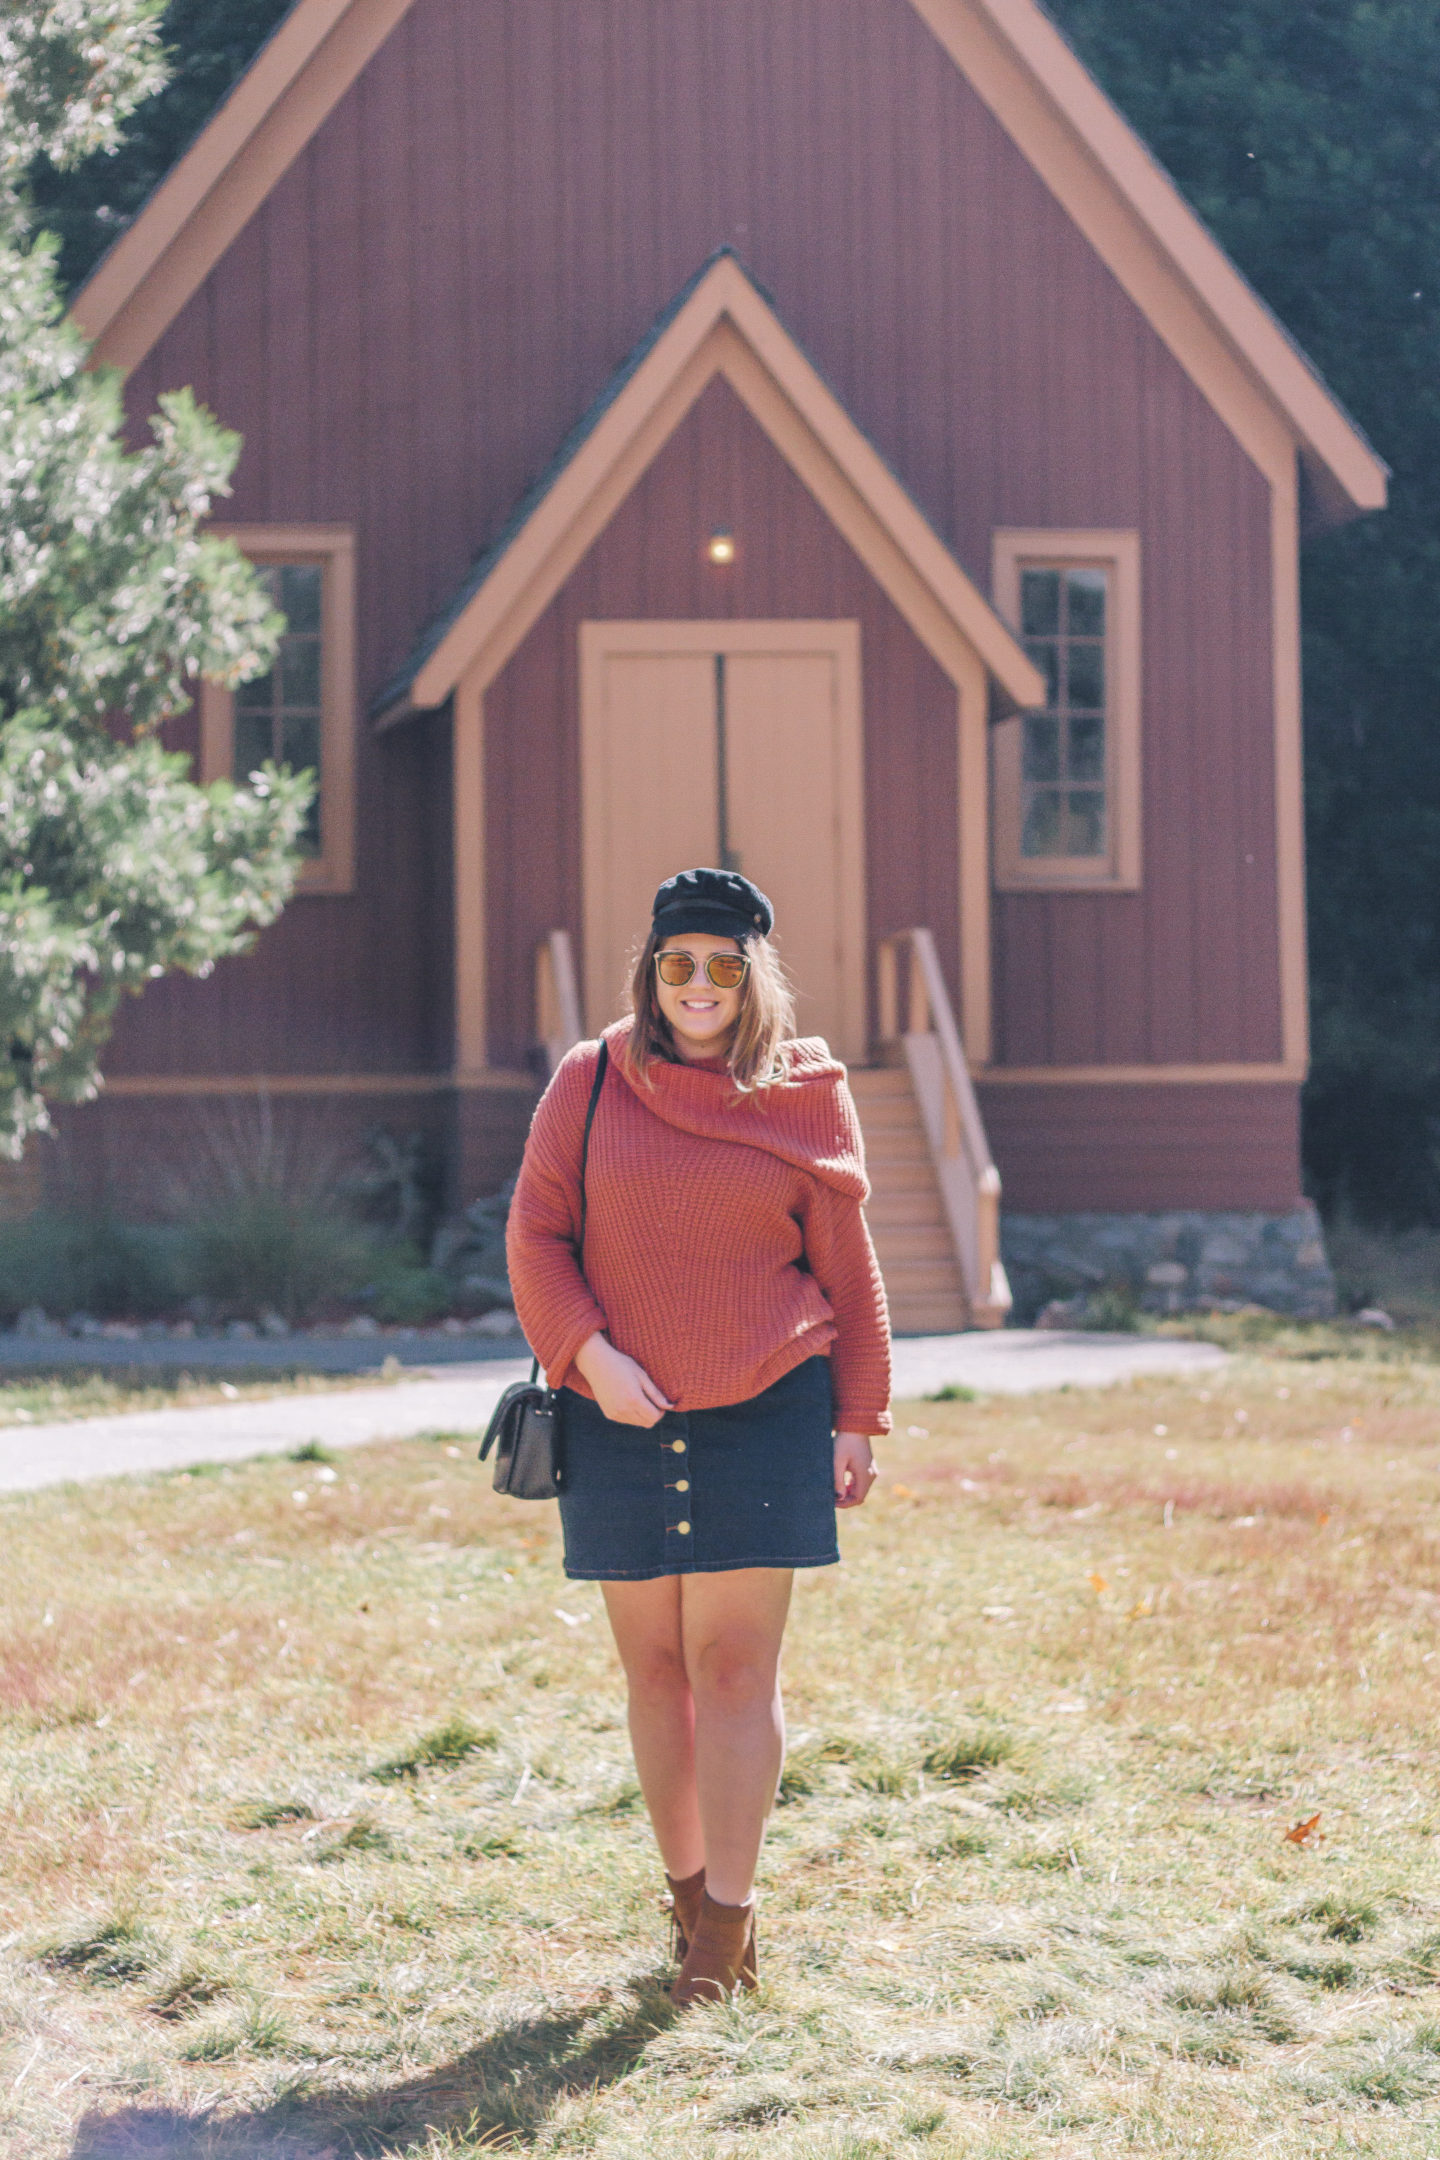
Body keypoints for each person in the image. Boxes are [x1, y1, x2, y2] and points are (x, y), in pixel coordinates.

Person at [506, 867, 891, 2003]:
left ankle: (726, 1931)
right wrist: (588, 1358)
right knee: (657, 1672)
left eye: (724, 964)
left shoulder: (804, 1093)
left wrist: (860, 1414)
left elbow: (850, 1274)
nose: (699, 986)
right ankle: (684, 1897)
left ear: (752, 973)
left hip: (766, 1409)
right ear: (652, 969)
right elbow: (536, 1238)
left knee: (732, 1668)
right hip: (613, 1410)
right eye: (678, 964)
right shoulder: (588, 1082)